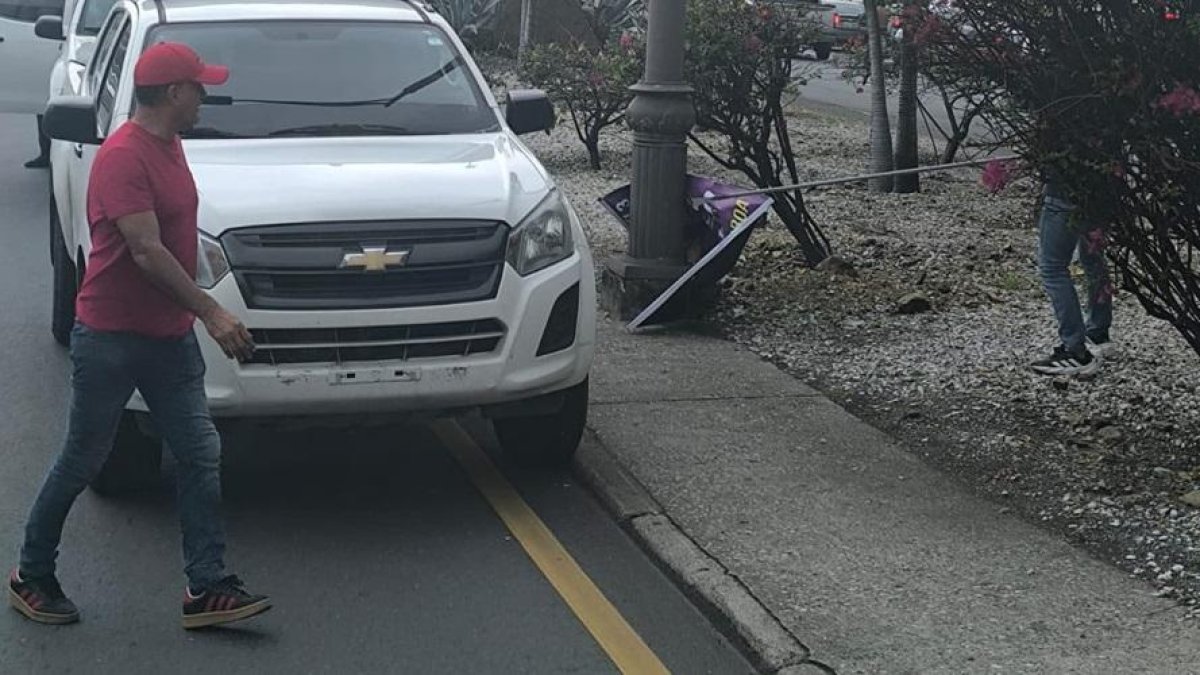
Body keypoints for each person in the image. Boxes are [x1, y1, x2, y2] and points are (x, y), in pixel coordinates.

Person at [8, 42, 270, 630]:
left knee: (199, 452)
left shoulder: (171, 144)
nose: (205, 96)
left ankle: (206, 586)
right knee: (84, 457)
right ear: (174, 92)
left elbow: (176, 235)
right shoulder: (125, 156)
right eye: (199, 87)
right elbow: (146, 251)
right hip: (112, 338)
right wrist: (212, 313)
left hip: (167, 337)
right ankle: (31, 574)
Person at [1029, 182, 1116, 376]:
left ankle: (1075, 350)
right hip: (1100, 191)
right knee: (1093, 259)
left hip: (1063, 193)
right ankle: (1098, 332)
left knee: (1053, 268)